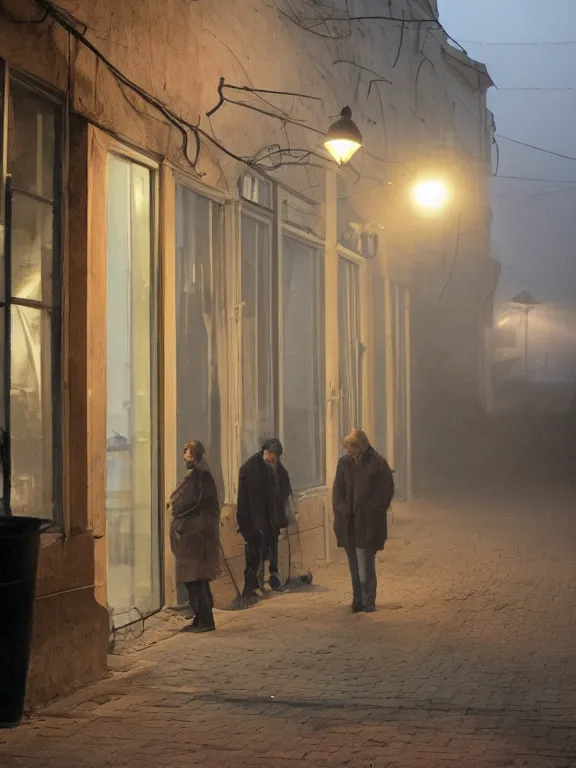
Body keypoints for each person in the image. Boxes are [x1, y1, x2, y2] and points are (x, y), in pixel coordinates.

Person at [332, 429, 394, 613]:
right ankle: (357, 599)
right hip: (349, 523)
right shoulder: (344, 464)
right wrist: (343, 510)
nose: (348, 450)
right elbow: (338, 491)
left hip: (368, 523)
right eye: (346, 447)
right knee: (354, 564)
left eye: (351, 446)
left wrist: (369, 510)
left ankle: (368, 600)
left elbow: (385, 492)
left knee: (365, 563)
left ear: (360, 446)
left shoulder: (378, 463)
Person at [169, 441, 221, 632]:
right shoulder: (198, 475)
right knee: (194, 580)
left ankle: (206, 620)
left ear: (196, 457)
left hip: (197, 537)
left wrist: (175, 506)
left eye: (189, 455)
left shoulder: (200, 476)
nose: (185, 458)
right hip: (195, 536)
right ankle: (200, 619)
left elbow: (191, 502)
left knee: (196, 579)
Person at [237, 438, 292, 600]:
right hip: (253, 519)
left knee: (263, 551)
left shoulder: (270, 467)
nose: (272, 459)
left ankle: (258, 585)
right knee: (254, 553)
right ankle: (250, 588)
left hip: (266, 519)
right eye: (270, 455)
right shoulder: (251, 469)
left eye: (274, 457)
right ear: (265, 452)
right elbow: (249, 501)